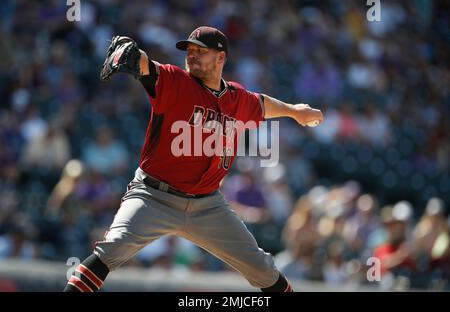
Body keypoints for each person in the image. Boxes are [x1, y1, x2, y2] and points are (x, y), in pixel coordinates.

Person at [63, 26, 323, 292]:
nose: (192, 55)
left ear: (221, 58)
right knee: (110, 251)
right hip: (153, 196)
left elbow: (262, 104)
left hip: (209, 205)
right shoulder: (176, 81)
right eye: (189, 50)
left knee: (263, 269)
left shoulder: (236, 97)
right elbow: (147, 67)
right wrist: (130, 51)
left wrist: (294, 112)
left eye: (200, 51)